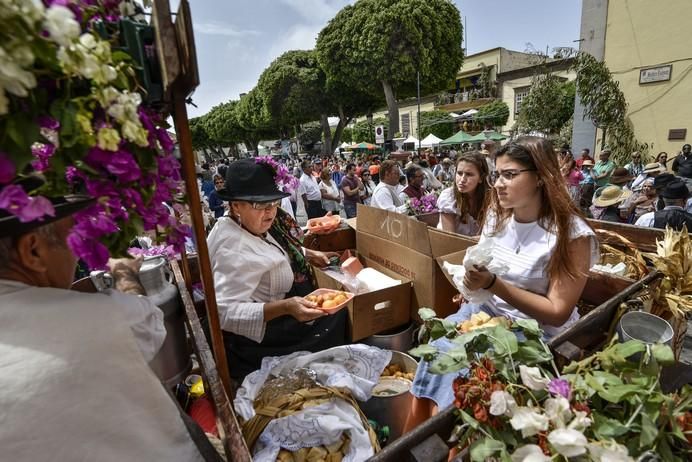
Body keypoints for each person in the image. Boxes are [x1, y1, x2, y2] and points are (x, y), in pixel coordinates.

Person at [0, 179, 212, 461]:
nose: (77, 253)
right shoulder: (96, 317)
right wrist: (124, 274)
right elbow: (149, 326)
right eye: (71, 237)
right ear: (33, 250)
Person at [406, 136, 598, 427]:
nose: (498, 184)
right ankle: (420, 436)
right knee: (436, 354)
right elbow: (484, 266)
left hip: (534, 334)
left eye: (509, 175)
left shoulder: (571, 235)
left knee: (467, 380)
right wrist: (471, 282)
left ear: (540, 178)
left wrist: (493, 284)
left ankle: (452, 443)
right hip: (485, 317)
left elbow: (557, 311)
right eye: (497, 175)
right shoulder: (498, 216)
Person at [207, 159, 347, 382]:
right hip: (261, 338)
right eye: (259, 205)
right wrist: (285, 307)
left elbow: (275, 247)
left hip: (285, 312)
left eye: (272, 203)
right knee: (338, 318)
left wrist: (309, 254)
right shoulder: (233, 247)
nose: (270, 212)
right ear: (235, 206)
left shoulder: (249, 225)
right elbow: (223, 313)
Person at [437, 151, 491, 236]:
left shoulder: (490, 198)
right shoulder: (449, 197)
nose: (462, 179)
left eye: (469, 174)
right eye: (459, 173)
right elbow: (450, 238)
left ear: (481, 178)